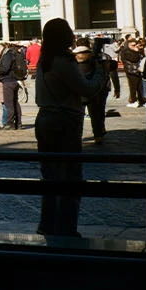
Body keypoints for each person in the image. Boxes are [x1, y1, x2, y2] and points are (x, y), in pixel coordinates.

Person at [34, 17, 91, 237]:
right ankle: (67, 228)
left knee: (49, 176)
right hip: (64, 122)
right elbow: (85, 89)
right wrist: (100, 74)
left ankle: (47, 225)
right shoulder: (63, 61)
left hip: (44, 120)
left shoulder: (44, 60)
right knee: (70, 177)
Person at [73, 37, 109, 145]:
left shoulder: (71, 57)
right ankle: (98, 136)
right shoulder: (94, 56)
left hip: (77, 89)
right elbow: (102, 71)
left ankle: (77, 136)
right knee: (95, 114)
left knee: (77, 115)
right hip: (92, 89)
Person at [0, 43, 23, 129]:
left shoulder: (7, 55)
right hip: (14, 80)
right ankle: (18, 123)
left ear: (0, 50)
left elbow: (5, 69)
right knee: (15, 102)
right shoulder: (14, 54)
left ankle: (10, 123)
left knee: (9, 103)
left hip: (8, 81)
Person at [120, 37, 145, 107]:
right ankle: (133, 100)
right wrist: (136, 51)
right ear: (128, 45)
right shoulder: (126, 51)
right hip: (131, 70)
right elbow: (134, 59)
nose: (134, 46)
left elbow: (142, 56)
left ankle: (141, 100)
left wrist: (140, 50)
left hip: (138, 70)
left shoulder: (136, 50)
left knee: (140, 86)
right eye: (132, 45)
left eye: (135, 45)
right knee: (133, 86)